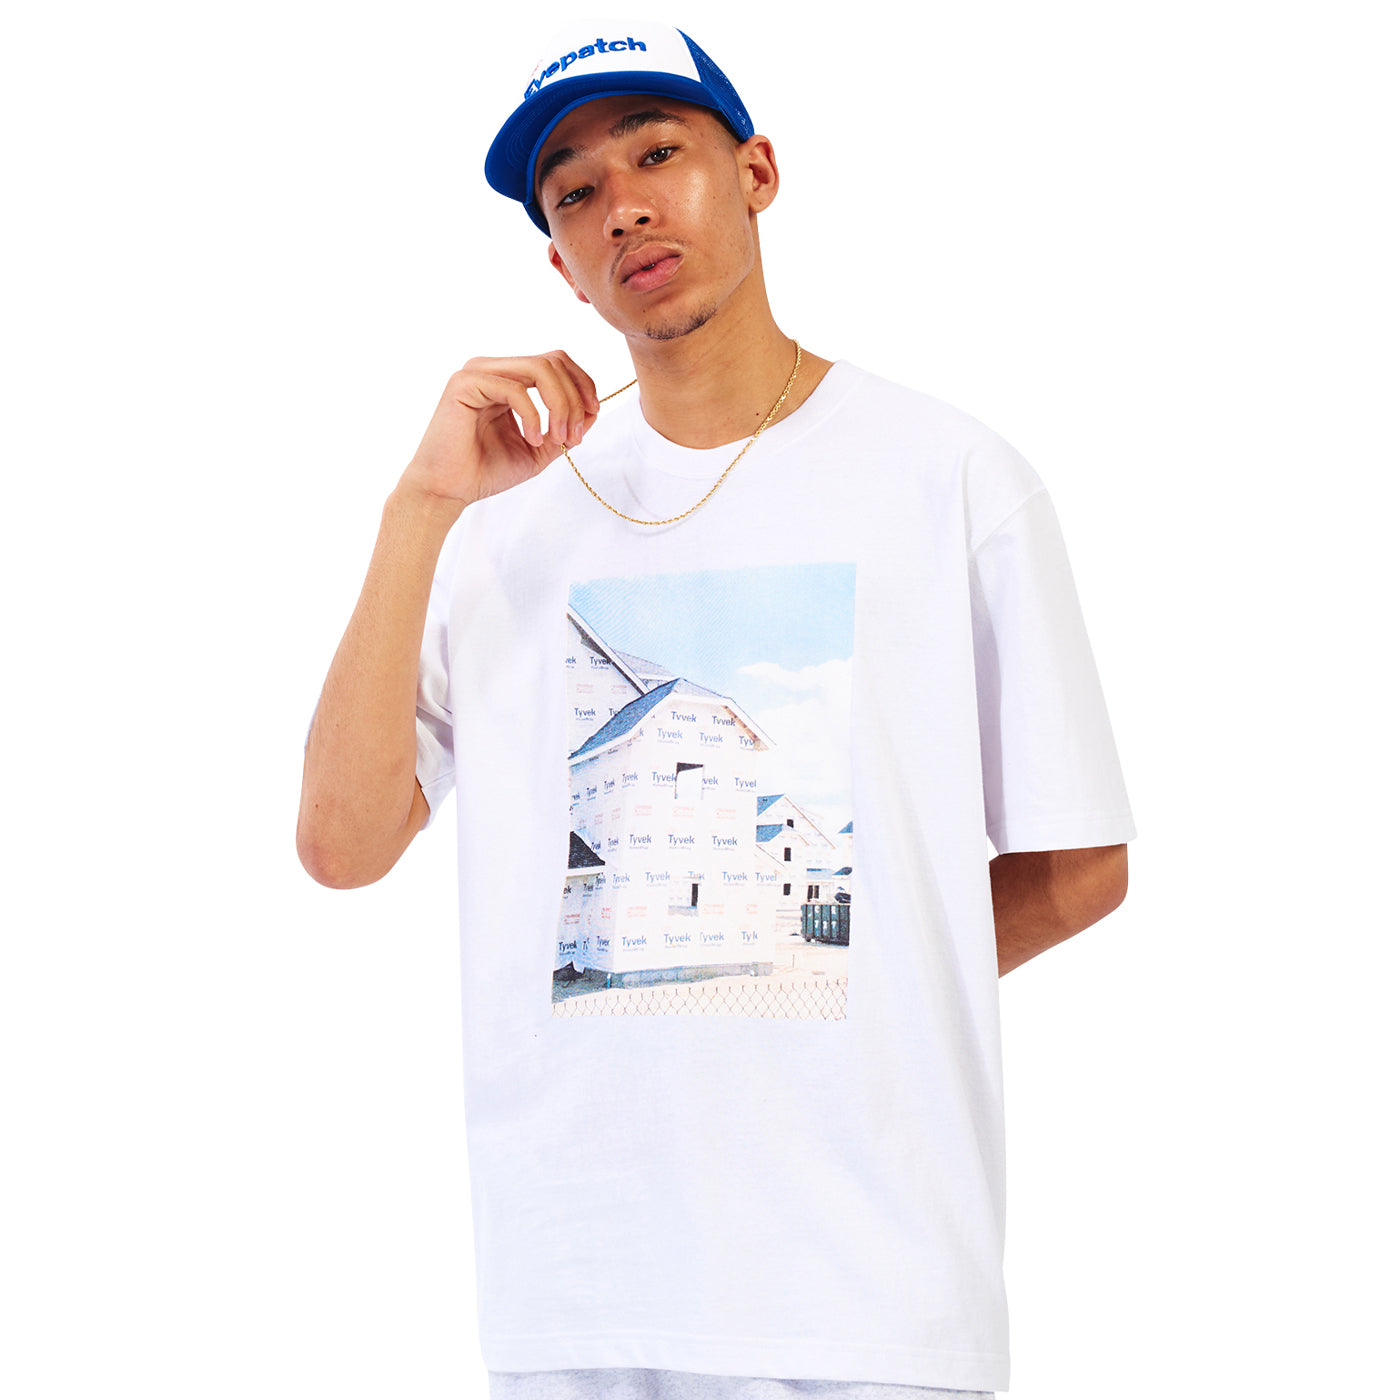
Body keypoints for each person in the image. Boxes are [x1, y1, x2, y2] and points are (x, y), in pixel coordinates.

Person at [298, 18, 1134, 1400]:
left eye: (657, 154)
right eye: (574, 191)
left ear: (755, 173)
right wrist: (418, 508)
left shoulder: (950, 476)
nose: (621, 204)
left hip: (869, 1293)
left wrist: (817, 967)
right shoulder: (496, 526)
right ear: (559, 264)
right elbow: (341, 844)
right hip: (577, 1289)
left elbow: (1083, 865)